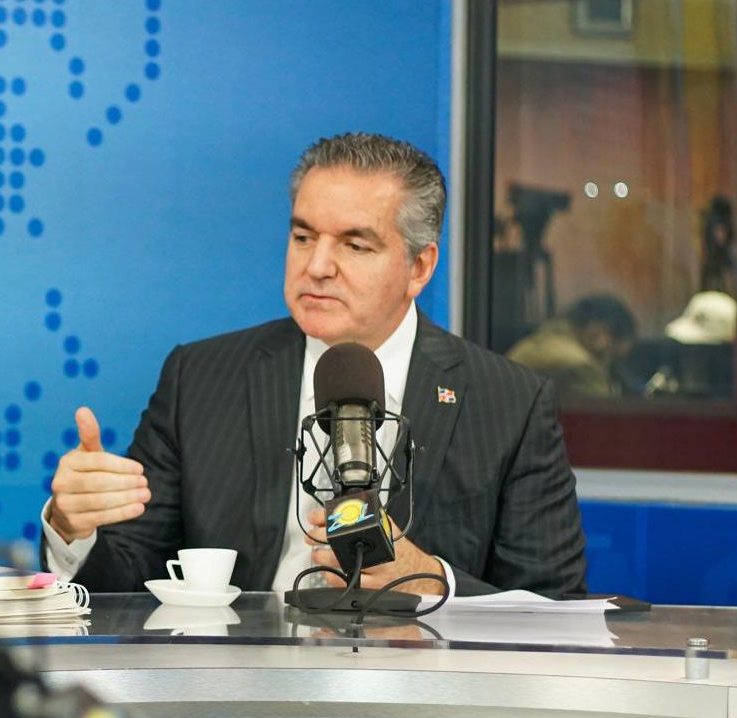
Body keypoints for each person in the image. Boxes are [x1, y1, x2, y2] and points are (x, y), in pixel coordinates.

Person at [41, 133, 587, 598]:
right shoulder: (200, 378)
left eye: (355, 246)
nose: (317, 266)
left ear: (419, 267)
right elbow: (126, 585)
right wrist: (74, 529)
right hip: (239, 680)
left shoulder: (509, 404)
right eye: (303, 237)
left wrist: (432, 581)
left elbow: (554, 609)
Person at [506, 294, 636, 401]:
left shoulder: (540, 341)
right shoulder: (581, 366)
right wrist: (603, 365)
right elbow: (608, 415)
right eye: (614, 356)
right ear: (601, 331)